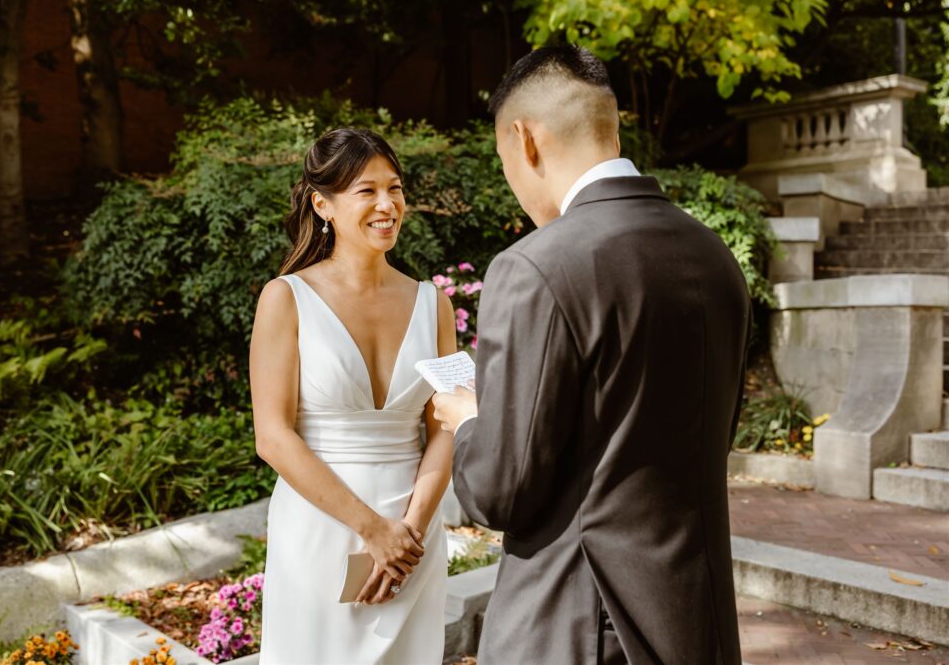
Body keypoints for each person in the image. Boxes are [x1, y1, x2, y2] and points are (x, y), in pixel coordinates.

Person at [433, 45, 751, 664]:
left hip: (579, 622)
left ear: (524, 140)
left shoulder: (536, 265)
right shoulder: (713, 255)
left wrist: (468, 419)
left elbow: (500, 491)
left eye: (506, 163)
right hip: (696, 616)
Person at [249, 128, 455, 663]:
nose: (388, 205)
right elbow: (272, 437)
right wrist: (373, 531)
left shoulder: (435, 305)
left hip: (414, 540)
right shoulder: (285, 298)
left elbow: (450, 426)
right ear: (323, 204)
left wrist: (408, 533)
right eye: (367, 191)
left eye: (396, 188)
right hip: (323, 531)